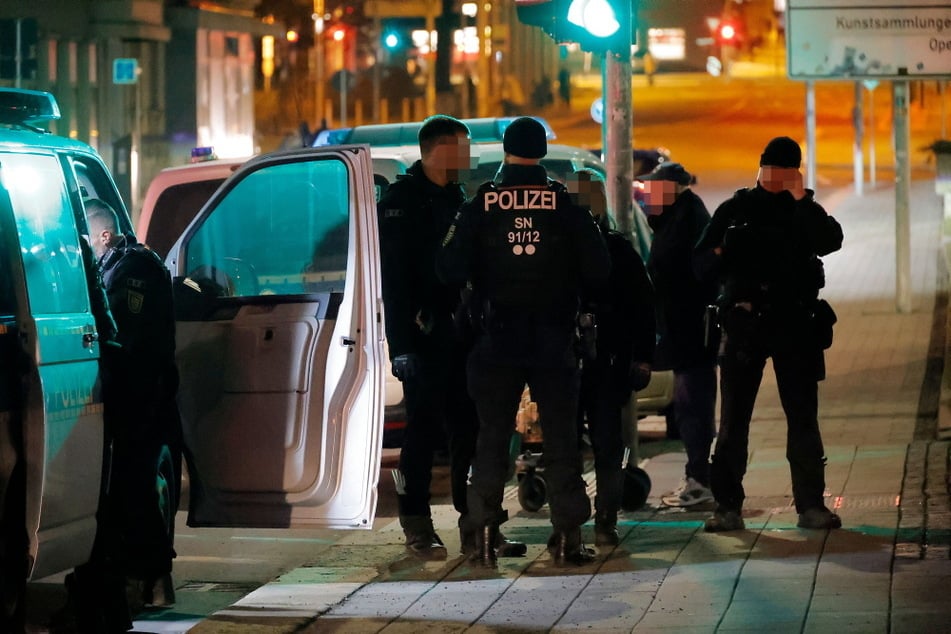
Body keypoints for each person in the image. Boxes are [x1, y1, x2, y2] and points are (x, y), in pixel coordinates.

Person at [437, 117, 611, 566]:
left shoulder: (482, 203)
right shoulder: (564, 202)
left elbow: (448, 268)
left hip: (496, 339)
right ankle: (568, 536)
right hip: (553, 339)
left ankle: (482, 535)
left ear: (506, 150)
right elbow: (599, 269)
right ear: (541, 151)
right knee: (561, 438)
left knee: (491, 438)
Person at [377, 115, 525, 560]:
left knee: (471, 433)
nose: (469, 157)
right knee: (421, 435)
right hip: (424, 339)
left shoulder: (458, 196)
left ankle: (477, 525)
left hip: (464, 337)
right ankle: (417, 525)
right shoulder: (401, 203)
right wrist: (400, 345)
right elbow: (394, 280)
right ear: (440, 150)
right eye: (463, 148)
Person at [695, 136, 844, 532]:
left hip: (795, 324)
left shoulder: (802, 210)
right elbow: (700, 264)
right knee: (733, 421)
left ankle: (810, 504)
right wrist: (725, 256)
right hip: (746, 326)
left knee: (802, 418)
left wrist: (803, 201)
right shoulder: (737, 209)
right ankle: (727, 505)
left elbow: (832, 241)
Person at [74, 199, 180, 625]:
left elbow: (123, 334)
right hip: (138, 395)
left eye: (89, 239)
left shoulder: (133, 269)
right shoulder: (123, 263)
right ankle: (143, 582)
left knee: (132, 491)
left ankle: (148, 582)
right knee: (129, 492)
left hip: (141, 396)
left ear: (103, 235)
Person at [567, 170, 655, 546]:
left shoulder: (567, 248)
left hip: (581, 361)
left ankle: (580, 518)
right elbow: (643, 307)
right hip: (604, 360)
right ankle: (604, 518)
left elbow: (641, 307)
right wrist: (642, 357)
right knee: (605, 441)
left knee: (570, 443)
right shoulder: (614, 246)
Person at [639, 162, 719, 508]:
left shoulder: (689, 220)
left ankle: (700, 482)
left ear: (672, 188)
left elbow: (685, 272)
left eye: (655, 189)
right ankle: (698, 477)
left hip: (692, 333)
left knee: (693, 407)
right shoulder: (677, 217)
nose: (649, 195)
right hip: (684, 331)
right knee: (689, 406)